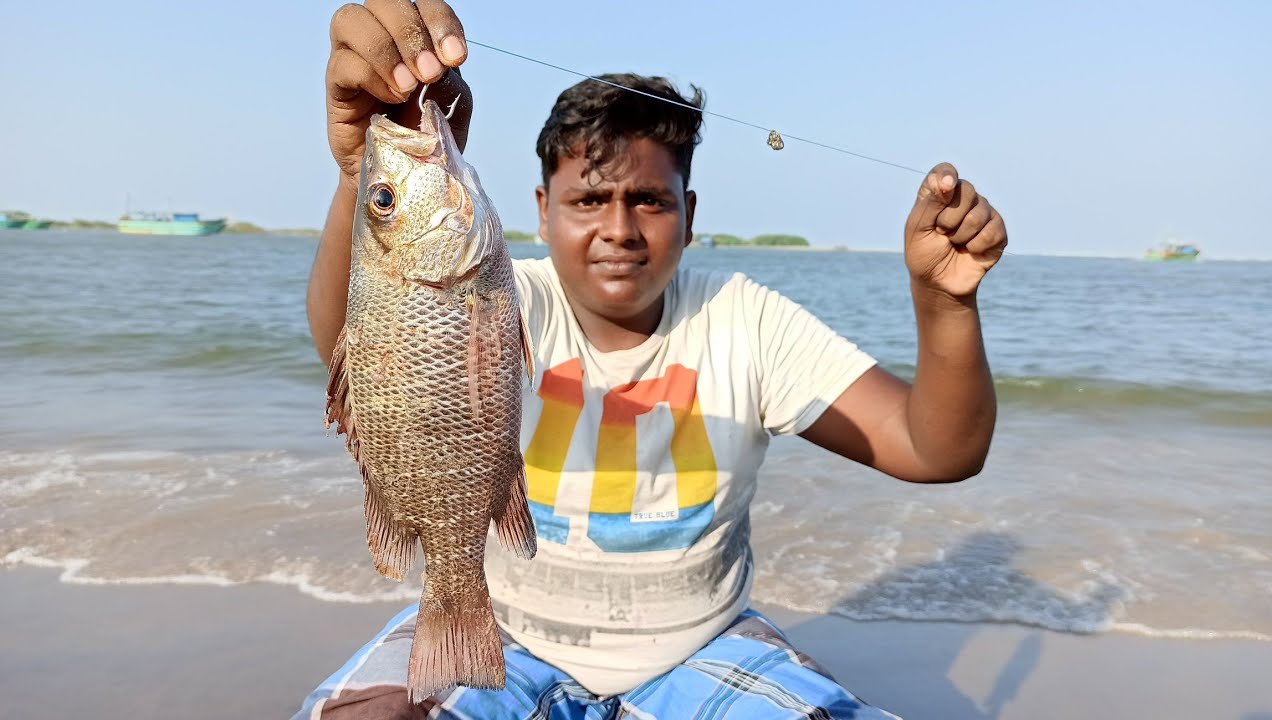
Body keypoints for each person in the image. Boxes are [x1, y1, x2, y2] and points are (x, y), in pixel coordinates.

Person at [300, 1, 1006, 717]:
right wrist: (362, 178)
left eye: (647, 200)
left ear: (690, 214)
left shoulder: (746, 319)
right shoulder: (505, 297)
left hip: (701, 643)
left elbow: (935, 449)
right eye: (589, 198)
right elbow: (355, 344)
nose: (618, 228)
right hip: (503, 633)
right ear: (542, 212)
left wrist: (944, 303)